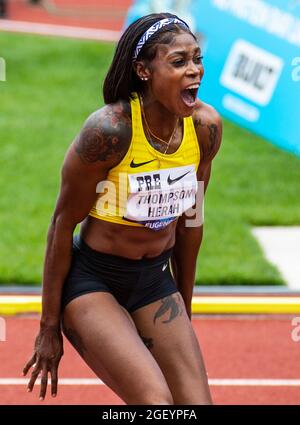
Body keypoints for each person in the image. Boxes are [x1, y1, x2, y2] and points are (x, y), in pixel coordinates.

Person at [23, 12, 222, 405]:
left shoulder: (204, 129)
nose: (194, 71)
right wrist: (48, 327)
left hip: (153, 281)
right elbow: (62, 226)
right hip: (94, 283)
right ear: (143, 71)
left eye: (197, 59)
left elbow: (191, 221)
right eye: (179, 62)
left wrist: (184, 305)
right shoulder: (110, 131)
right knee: (155, 403)